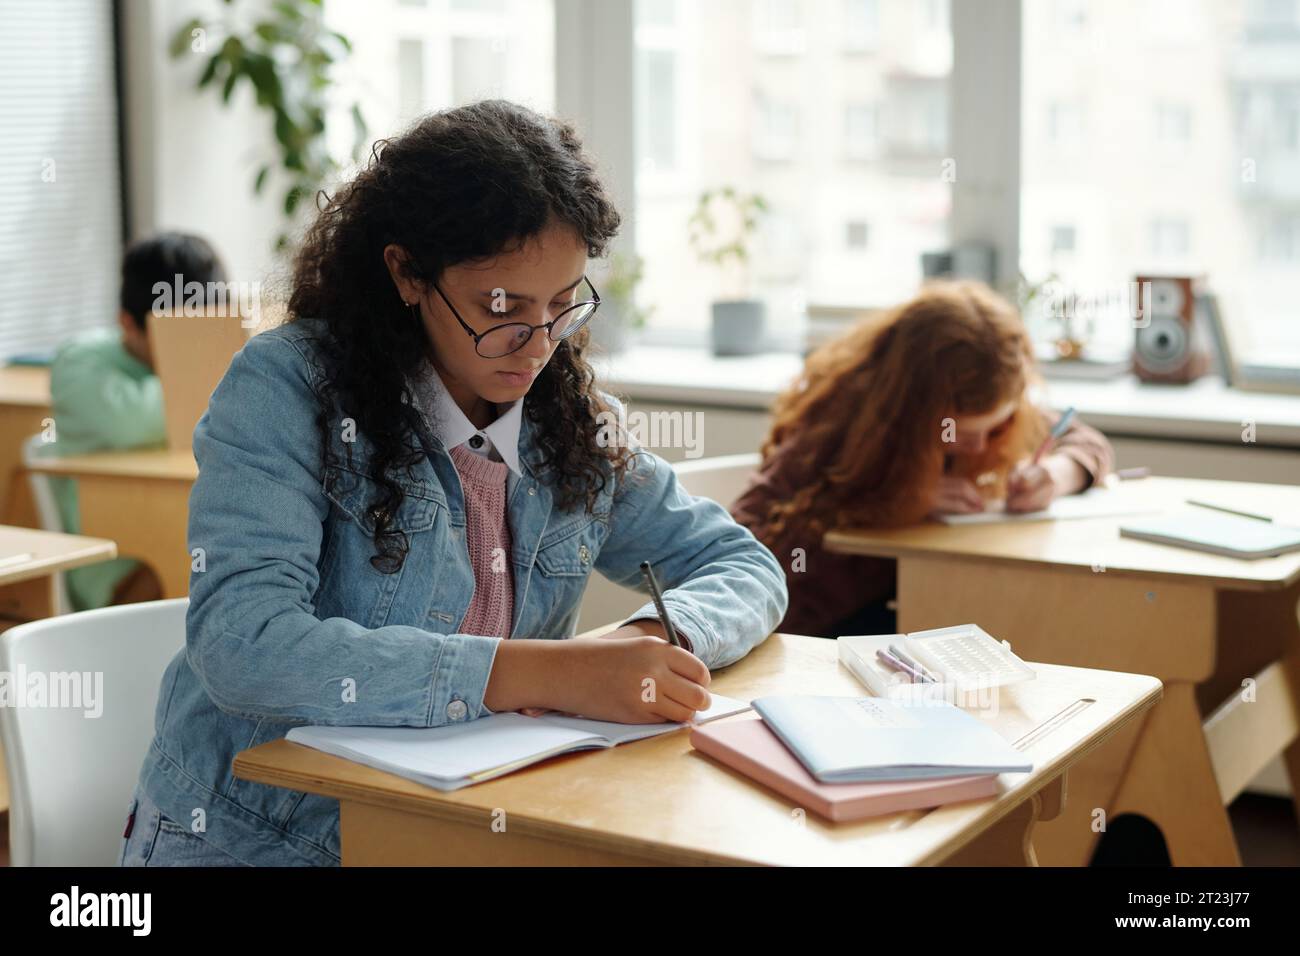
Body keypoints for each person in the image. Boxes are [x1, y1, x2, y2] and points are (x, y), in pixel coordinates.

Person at [119, 100, 787, 867]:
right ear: (407, 273)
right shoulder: (286, 390)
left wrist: (646, 644)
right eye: (500, 308)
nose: (537, 347)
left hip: (468, 828)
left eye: (562, 304)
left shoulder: (568, 420)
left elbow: (743, 566)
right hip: (262, 840)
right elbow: (243, 643)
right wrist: (537, 673)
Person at [731, 279, 1113, 638]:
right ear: (911, 410)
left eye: (996, 428)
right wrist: (898, 502)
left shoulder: (989, 403)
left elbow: (1084, 441)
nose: (980, 447)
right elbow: (743, 550)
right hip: (837, 637)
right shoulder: (837, 425)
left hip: (936, 619)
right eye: (960, 433)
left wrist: (1057, 474)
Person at [42, 232, 227, 609]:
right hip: (117, 565)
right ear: (128, 324)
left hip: (187, 529)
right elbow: (130, 421)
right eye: (173, 334)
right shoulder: (79, 362)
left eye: (201, 331)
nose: (188, 349)